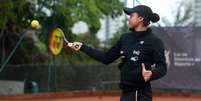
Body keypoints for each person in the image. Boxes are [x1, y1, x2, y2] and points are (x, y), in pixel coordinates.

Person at [69, 5, 167, 101]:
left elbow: (162, 67)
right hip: (125, 93)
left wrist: (152, 73)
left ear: (141, 18)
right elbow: (106, 58)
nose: (129, 19)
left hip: (140, 94)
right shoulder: (125, 38)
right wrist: (82, 47)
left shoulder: (154, 41)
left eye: (132, 16)